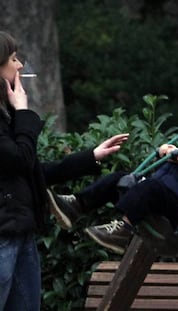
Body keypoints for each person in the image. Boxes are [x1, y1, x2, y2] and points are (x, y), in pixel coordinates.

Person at [0, 31, 129, 311]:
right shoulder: (12, 115)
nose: (21, 65)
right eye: (13, 58)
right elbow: (20, 159)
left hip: (20, 234)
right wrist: (24, 112)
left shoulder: (6, 114)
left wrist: (91, 157)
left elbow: (31, 173)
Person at [47, 107, 178, 255]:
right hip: (161, 197)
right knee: (120, 178)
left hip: (176, 210)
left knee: (151, 187)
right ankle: (76, 205)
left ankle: (122, 230)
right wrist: (164, 154)